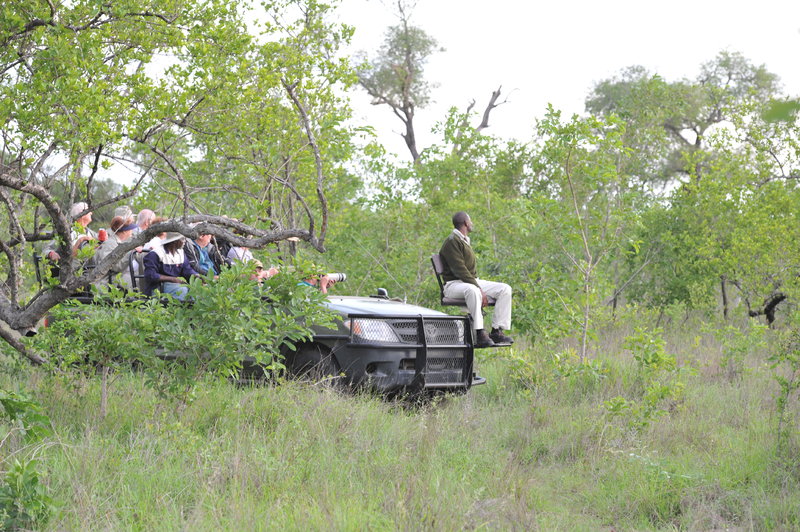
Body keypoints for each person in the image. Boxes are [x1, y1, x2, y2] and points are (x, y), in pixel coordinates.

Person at [438, 211, 513, 348]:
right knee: (473, 290)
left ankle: (497, 331)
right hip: (453, 285)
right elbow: (459, 270)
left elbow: (468, 275)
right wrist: (479, 289)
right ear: (466, 223)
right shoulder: (452, 242)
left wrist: (477, 285)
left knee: (505, 289)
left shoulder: (464, 240)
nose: (472, 223)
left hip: (469, 282)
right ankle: (479, 333)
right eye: (470, 221)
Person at [143, 232, 200, 301]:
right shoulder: (156, 254)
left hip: (176, 285)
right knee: (181, 290)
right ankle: (177, 310)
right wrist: (173, 279)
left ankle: (191, 310)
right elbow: (150, 275)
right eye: (182, 239)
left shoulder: (181, 253)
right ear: (174, 242)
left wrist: (198, 276)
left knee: (197, 290)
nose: (185, 241)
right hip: (158, 287)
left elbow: (187, 270)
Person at [43, 201, 98, 266]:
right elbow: (46, 250)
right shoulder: (66, 232)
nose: (91, 213)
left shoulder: (92, 234)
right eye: (88, 211)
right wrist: (51, 254)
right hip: (70, 268)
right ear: (82, 214)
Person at [92, 216, 137, 289]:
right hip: (105, 284)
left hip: (113, 282)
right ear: (125, 231)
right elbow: (114, 266)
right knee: (129, 280)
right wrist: (132, 253)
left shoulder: (117, 242)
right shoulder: (110, 244)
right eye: (130, 229)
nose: (132, 232)